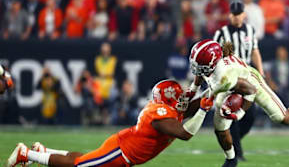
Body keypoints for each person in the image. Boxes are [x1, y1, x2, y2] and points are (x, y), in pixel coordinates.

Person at [188, 39, 289, 167]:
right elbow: (202, 73)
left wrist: (240, 113)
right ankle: (231, 160)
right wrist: (192, 89)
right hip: (229, 85)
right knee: (220, 129)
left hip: (250, 81)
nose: (196, 68)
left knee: (286, 118)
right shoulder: (212, 65)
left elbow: (250, 91)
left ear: (213, 63)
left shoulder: (224, 77)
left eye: (199, 65)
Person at [7, 79, 214, 167]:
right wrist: (205, 108)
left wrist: (212, 90)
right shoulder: (160, 114)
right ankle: (28, 154)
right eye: (177, 98)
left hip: (123, 149)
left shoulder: (168, 109)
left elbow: (188, 107)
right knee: (78, 165)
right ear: (170, 100)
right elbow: (186, 133)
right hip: (121, 153)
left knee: (84, 159)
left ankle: (44, 151)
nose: (181, 101)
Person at [213, 0, 264, 162]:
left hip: (247, 74)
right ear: (230, 15)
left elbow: (255, 51)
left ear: (244, 14)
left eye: (238, 14)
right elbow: (215, 53)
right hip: (230, 76)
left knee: (250, 116)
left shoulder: (250, 30)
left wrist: (260, 72)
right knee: (232, 111)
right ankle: (237, 152)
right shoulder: (221, 32)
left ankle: (233, 142)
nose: (236, 17)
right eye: (233, 14)